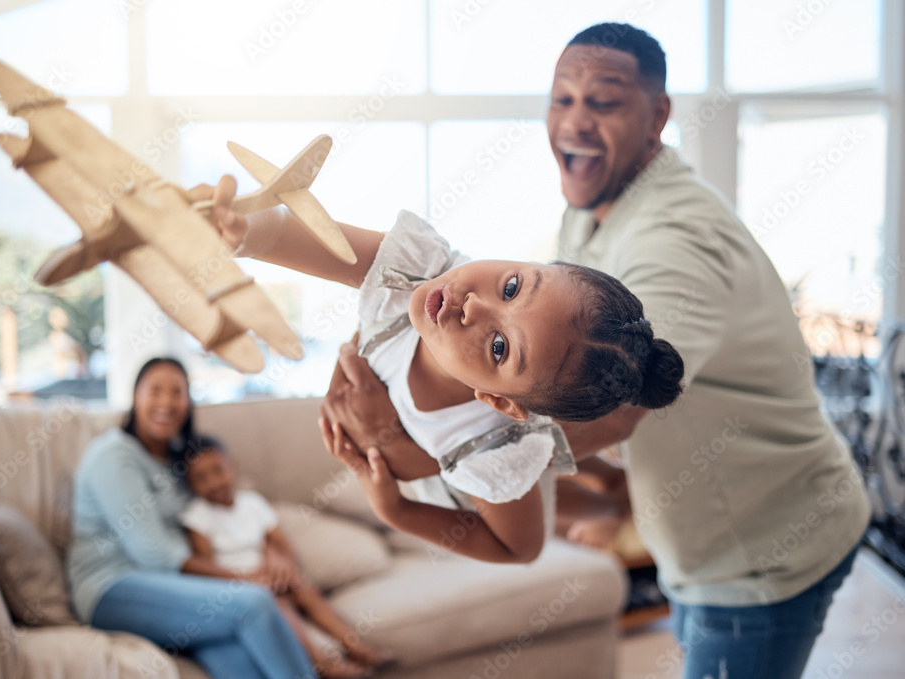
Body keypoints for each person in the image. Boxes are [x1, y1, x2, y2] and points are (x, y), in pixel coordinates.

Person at [318, 23, 871, 679]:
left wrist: (415, 448)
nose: (574, 121)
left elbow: (609, 411)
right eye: (562, 98)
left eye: (602, 101)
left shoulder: (674, 240)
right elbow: (551, 369)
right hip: (696, 539)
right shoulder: (594, 205)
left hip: (763, 546)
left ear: (657, 115)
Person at [189, 176, 685, 564]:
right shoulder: (418, 271)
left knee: (550, 491)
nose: (473, 305)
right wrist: (241, 230)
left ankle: (613, 504)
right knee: (557, 464)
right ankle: (612, 486)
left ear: (498, 401)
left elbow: (519, 548)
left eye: (497, 347)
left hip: (459, 477)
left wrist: (397, 511)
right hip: (499, 434)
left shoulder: (493, 451)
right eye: (512, 287)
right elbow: (291, 235)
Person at [66, 357, 317, 679]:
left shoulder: (178, 461)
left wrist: (272, 551)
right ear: (135, 397)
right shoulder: (113, 455)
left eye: (177, 392)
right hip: (111, 589)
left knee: (237, 655)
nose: (166, 403)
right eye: (155, 391)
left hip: (177, 590)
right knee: (253, 603)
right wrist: (241, 579)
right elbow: (153, 553)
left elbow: (225, 513)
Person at [177, 435, 395, 678]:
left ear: (232, 466)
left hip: (272, 578)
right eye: (201, 478)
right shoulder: (198, 516)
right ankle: (323, 663)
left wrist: (284, 566)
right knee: (276, 604)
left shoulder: (252, 503)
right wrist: (248, 579)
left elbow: (280, 543)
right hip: (238, 589)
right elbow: (207, 566)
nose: (213, 482)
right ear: (190, 485)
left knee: (304, 588)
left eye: (218, 471)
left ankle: (359, 649)